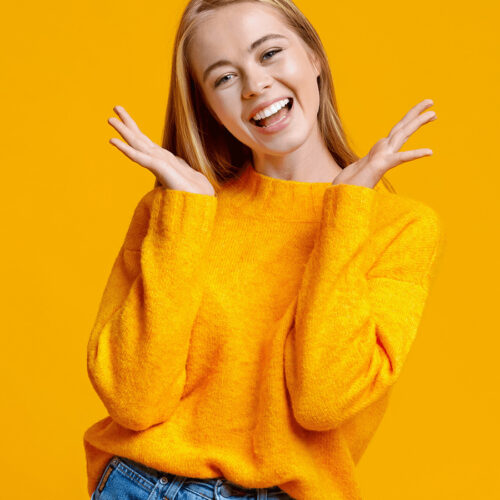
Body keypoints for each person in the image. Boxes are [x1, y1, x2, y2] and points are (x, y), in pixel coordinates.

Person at [83, 0, 445, 499]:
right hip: (138, 485)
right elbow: (133, 401)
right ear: (207, 105)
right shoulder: (176, 212)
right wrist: (185, 216)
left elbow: (322, 401)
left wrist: (345, 213)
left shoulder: (398, 227)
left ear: (314, 57)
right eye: (224, 78)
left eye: (270, 53)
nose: (255, 85)